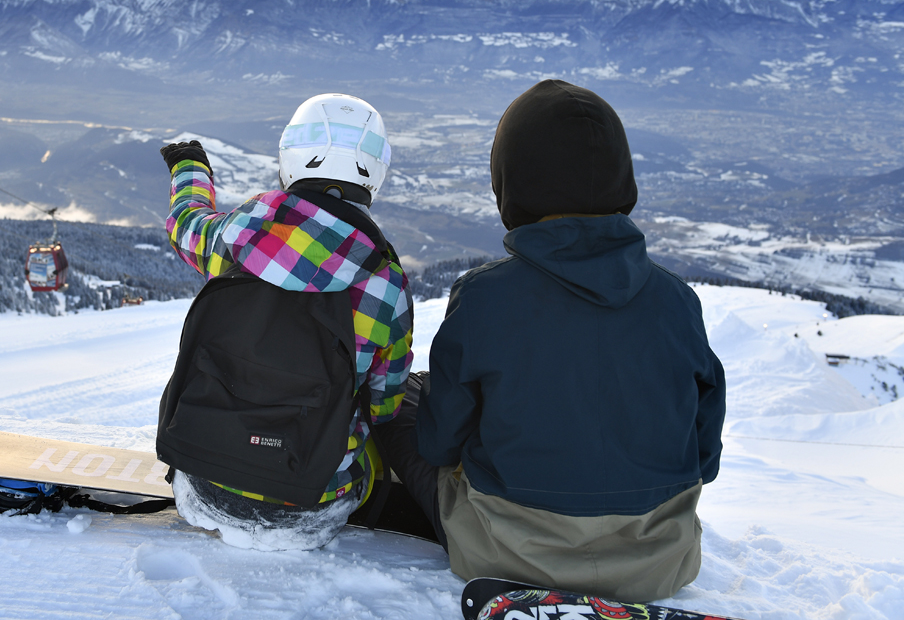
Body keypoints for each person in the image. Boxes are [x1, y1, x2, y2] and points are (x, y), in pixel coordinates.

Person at [377, 79, 725, 602]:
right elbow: (705, 457)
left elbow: (438, 444)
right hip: (658, 561)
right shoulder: (677, 302)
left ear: (510, 182)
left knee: (402, 399)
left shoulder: (484, 299)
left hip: (509, 553)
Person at [157, 93, 413, 550]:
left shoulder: (239, 235)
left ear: (291, 154)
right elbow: (384, 405)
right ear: (375, 170)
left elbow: (186, 224)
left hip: (200, 484)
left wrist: (189, 166)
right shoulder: (383, 283)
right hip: (310, 508)